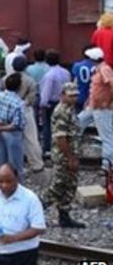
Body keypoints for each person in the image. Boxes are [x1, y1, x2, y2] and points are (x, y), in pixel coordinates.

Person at [41, 83, 86, 228]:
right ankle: (34, 210)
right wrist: (70, 158)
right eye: (70, 95)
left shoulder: (69, 110)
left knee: (69, 186)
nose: (74, 98)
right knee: (58, 186)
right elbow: (61, 138)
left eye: (75, 95)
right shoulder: (62, 112)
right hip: (63, 156)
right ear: (62, 95)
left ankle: (64, 216)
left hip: (69, 154)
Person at [0, 74, 26, 181]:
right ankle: (18, 188)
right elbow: (18, 124)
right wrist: (3, 128)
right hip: (12, 134)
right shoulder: (19, 102)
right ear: (19, 87)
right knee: (16, 165)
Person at [81, 47, 113, 172]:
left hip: (102, 107)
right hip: (94, 106)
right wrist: (89, 101)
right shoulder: (100, 68)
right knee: (76, 124)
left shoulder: (104, 69)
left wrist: (109, 101)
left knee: (107, 136)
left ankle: (108, 164)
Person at [12, 58, 45, 173]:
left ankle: (14, 165)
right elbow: (32, 98)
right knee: (31, 138)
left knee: (13, 138)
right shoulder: (30, 81)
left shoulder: (5, 79)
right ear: (25, 67)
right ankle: (36, 164)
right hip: (25, 109)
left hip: (10, 110)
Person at [38, 49, 71, 154]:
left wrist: (43, 104)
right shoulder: (66, 72)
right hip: (64, 101)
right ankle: (65, 146)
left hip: (51, 104)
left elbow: (46, 92)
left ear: (46, 61)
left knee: (48, 126)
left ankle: (48, 148)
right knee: (64, 126)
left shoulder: (49, 75)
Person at [72, 46, 101, 111]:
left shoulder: (77, 65)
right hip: (93, 98)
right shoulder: (98, 66)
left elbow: (74, 80)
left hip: (79, 96)